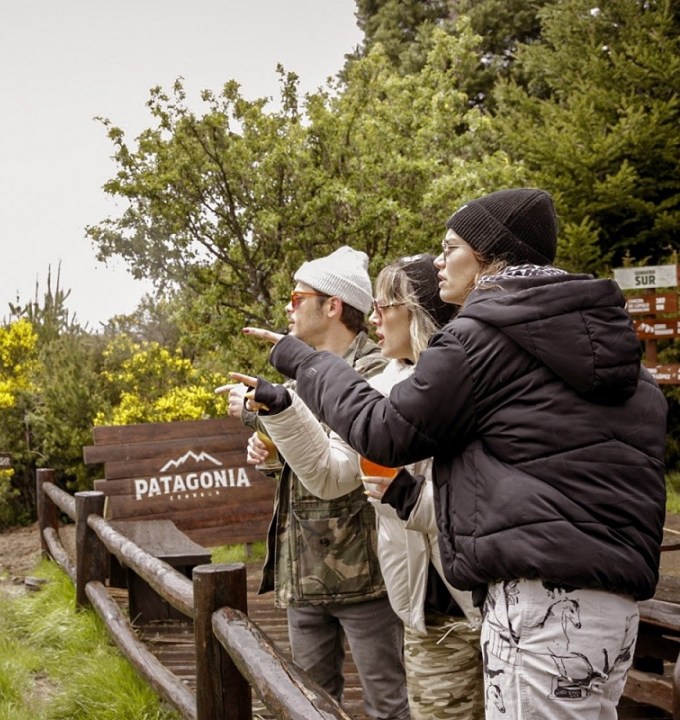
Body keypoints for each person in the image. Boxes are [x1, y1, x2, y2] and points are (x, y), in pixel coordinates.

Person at [243, 188, 666, 720]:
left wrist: (306, 362)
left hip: (537, 608)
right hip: (614, 608)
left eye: (450, 248)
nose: (438, 262)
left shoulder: (482, 339)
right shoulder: (617, 354)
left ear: (489, 255)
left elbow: (384, 431)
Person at [237, 254, 483, 719]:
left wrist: (408, 497)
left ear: (416, 312)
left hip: (480, 599)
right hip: (425, 608)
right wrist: (283, 410)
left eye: (384, 305)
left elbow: (490, 502)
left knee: (389, 703)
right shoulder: (387, 385)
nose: (374, 318)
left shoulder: (470, 379)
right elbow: (331, 473)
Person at [217, 245, 411, 720]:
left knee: (388, 704)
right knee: (308, 706)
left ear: (333, 306)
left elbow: (343, 448)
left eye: (296, 297)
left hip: (367, 573)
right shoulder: (302, 375)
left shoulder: (378, 368)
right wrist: (270, 454)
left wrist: (264, 414)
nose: (288, 307)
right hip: (304, 571)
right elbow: (306, 454)